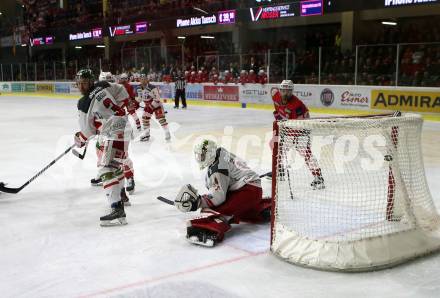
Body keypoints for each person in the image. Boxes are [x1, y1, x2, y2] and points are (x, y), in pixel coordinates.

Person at [173, 139, 272, 247]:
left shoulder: (218, 168)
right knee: (238, 210)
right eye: (198, 155)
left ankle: (209, 231)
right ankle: (259, 209)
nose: (199, 158)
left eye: (202, 155)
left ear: (210, 153)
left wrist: (198, 203)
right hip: (251, 190)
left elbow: (218, 198)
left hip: (247, 191)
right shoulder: (220, 152)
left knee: (212, 211)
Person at [74, 69, 130, 226]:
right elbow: (122, 91)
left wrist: (79, 139)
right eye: (79, 83)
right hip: (123, 127)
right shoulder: (103, 85)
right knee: (115, 166)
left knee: (105, 169)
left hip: (113, 132)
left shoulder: (83, 103)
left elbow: (87, 131)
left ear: (90, 82)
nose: (81, 86)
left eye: (84, 83)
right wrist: (116, 112)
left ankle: (116, 208)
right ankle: (121, 196)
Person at [271, 80, 325, 190]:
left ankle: (318, 177)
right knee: (276, 148)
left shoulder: (297, 105)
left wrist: (286, 131)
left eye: (288, 91)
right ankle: (280, 171)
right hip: (289, 126)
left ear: (292, 91)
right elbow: (273, 96)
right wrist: (280, 121)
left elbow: (299, 124)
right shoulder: (276, 95)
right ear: (280, 90)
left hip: (302, 128)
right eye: (283, 90)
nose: (285, 93)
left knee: (305, 154)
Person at [136, 74, 171, 142]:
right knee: (145, 118)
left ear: (147, 79)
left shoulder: (152, 87)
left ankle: (167, 133)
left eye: (144, 79)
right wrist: (136, 103)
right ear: (139, 80)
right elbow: (140, 98)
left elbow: (157, 98)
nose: (143, 81)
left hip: (156, 105)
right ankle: (147, 134)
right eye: (141, 79)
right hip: (148, 106)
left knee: (161, 119)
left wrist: (151, 106)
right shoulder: (138, 88)